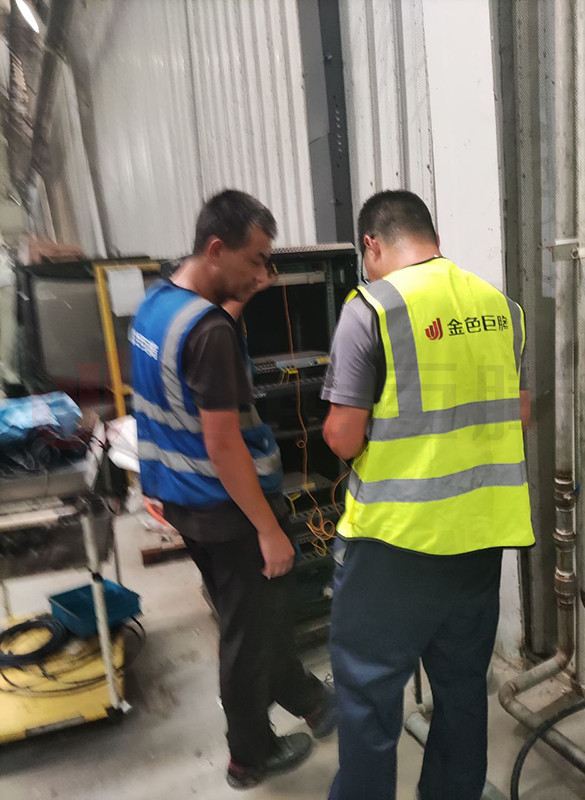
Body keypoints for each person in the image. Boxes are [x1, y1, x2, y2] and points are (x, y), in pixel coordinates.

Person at [321, 190, 534, 800]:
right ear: (432, 237)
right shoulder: (502, 308)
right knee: (463, 692)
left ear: (372, 245)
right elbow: (518, 414)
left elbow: (342, 436)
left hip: (395, 545)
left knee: (368, 698)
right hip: (480, 541)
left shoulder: (372, 308)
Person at [130, 190, 336, 790]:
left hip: (185, 499)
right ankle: (250, 755)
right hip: (231, 508)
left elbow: (184, 379)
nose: (264, 273)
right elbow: (223, 445)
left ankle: (310, 701)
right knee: (248, 637)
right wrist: (269, 530)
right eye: (256, 260)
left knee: (260, 617)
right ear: (217, 249)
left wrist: (240, 296)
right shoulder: (210, 334)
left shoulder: (159, 305)